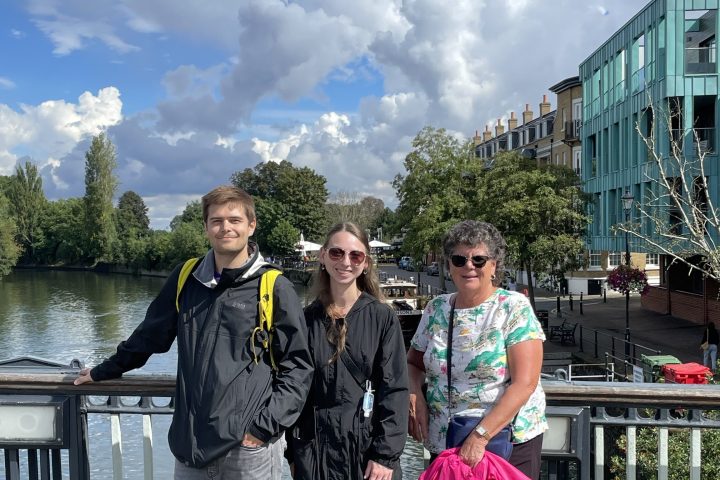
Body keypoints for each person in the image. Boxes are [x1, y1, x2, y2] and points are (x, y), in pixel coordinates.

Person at [74, 185, 313, 480]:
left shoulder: (274, 287)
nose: (225, 228)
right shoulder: (186, 277)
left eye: (234, 220)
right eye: (216, 221)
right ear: (206, 228)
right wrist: (104, 370)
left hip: (247, 449)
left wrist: (262, 429)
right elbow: (150, 335)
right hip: (190, 447)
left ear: (251, 226)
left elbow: (299, 368)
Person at [407, 220, 547, 480]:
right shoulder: (436, 309)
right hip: (447, 440)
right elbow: (413, 363)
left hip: (503, 442)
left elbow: (525, 383)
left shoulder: (513, 308)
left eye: (479, 259)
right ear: (449, 265)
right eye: (459, 259)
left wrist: (480, 436)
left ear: (494, 265)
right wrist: (414, 395)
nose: (469, 266)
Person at [288, 222, 408, 480]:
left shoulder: (381, 318)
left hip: (367, 456)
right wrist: (293, 453)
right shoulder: (306, 320)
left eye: (355, 255)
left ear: (366, 263)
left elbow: (394, 390)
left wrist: (384, 456)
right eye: (336, 253)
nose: (346, 261)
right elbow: (296, 390)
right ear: (322, 256)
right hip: (316, 455)